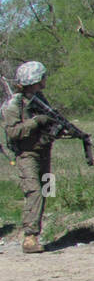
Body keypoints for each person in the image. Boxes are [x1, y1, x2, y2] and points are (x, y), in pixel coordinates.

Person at [2, 61, 56, 253]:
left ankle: (42, 227)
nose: (44, 81)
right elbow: (13, 132)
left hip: (44, 151)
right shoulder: (14, 105)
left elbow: (50, 121)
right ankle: (30, 237)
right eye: (41, 78)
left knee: (47, 189)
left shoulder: (41, 99)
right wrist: (35, 122)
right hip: (26, 155)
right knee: (34, 191)